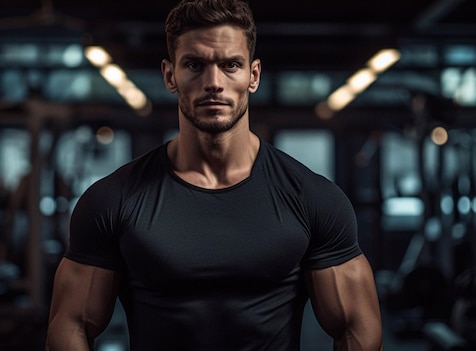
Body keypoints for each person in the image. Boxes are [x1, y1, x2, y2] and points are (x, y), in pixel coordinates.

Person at [46, 0, 384, 350]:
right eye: (195, 65)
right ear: (169, 75)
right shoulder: (113, 199)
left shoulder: (312, 199)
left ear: (253, 76)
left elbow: (356, 326)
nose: (213, 82)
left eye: (230, 65)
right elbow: (71, 324)